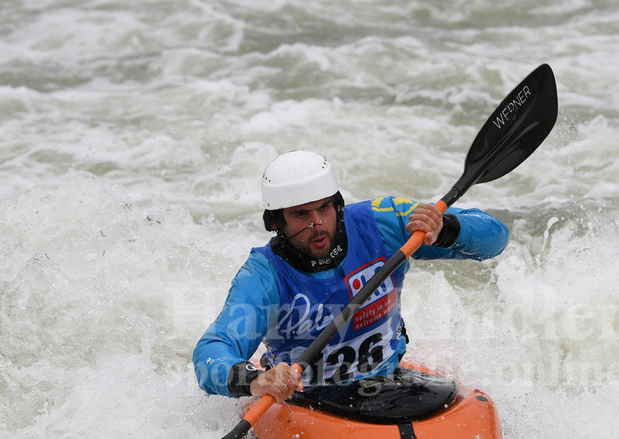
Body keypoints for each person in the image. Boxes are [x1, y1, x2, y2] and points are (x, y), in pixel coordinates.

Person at [193, 150, 509, 403]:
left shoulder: (385, 222)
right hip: (307, 399)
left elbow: (496, 241)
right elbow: (212, 351)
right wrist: (255, 380)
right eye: (301, 214)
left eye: (324, 208)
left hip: (388, 384)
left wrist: (447, 228)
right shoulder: (262, 276)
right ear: (276, 222)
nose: (317, 223)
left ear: (338, 205)